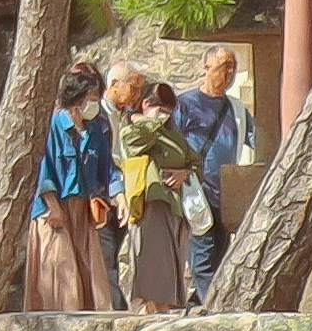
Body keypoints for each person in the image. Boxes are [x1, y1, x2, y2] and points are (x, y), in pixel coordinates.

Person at [167, 46, 255, 301]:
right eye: (223, 66)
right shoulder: (185, 105)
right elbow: (172, 144)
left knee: (221, 254)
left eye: (232, 67)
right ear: (207, 68)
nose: (228, 73)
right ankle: (214, 307)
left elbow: (256, 139)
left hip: (226, 192)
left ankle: (202, 303)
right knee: (203, 255)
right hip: (196, 188)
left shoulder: (237, 110)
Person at [114, 63, 200, 312]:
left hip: (174, 205)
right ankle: (149, 306)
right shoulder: (131, 129)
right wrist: (148, 121)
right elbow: (133, 144)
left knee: (173, 261)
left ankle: (165, 306)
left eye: (167, 110)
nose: (163, 115)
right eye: (159, 108)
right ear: (145, 104)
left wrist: (185, 173)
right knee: (151, 260)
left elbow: (194, 161)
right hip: (149, 201)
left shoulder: (174, 136)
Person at [34, 63, 114, 311]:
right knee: (61, 274)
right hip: (54, 210)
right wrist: (53, 206)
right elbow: (44, 167)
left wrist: (119, 194)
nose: (95, 104)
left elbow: (108, 168)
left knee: (90, 275)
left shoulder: (94, 130)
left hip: (83, 209)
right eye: (91, 99)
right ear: (77, 100)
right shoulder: (54, 126)